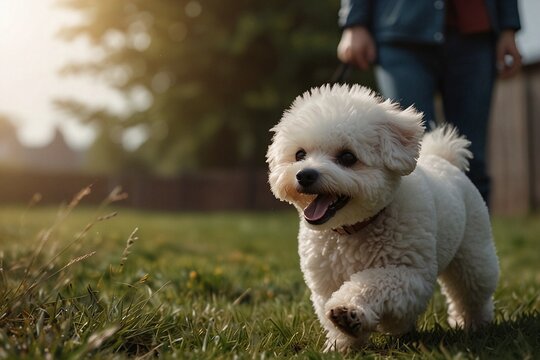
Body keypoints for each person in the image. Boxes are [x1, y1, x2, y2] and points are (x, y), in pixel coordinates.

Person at [337, 0, 522, 206]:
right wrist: (354, 22)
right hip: (399, 31)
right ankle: (411, 235)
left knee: (469, 156)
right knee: (408, 150)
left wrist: (508, 26)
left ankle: (475, 236)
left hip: (476, 33)